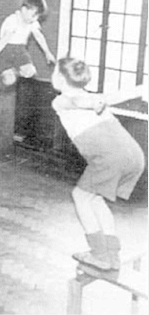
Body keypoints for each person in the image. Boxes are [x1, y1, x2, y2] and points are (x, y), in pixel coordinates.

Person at [51, 57, 146, 270]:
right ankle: (111, 254)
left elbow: (73, 102)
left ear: (60, 78)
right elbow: (95, 99)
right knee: (95, 200)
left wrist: (93, 103)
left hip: (111, 156)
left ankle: (100, 254)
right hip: (133, 153)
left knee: (81, 197)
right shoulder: (94, 97)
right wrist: (140, 88)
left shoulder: (59, 101)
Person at [0, 0, 56, 109]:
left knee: (31, 72)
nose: (35, 19)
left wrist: (47, 52)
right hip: (6, 50)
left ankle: (15, 71)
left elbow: (39, 36)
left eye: (37, 17)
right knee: (9, 81)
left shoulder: (32, 22)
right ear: (24, 10)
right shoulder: (13, 20)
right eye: (34, 15)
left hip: (20, 50)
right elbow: (4, 40)